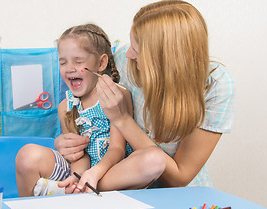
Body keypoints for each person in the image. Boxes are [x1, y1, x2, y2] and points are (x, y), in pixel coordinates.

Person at [54, 0, 235, 188]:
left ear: (163, 59)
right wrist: (66, 142)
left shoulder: (216, 86)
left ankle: (85, 191)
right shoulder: (125, 62)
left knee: (152, 160)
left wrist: (123, 120)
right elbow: (89, 115)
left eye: (137, 50)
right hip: (125, 186)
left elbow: (179, 178)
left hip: (178, 195)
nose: (128, 54)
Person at [15, 23, 165, 197]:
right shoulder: (65, 106)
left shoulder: (115, 96)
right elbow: (78, 154)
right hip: (80, 172)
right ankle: (74, 193)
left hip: (112, 173)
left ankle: (83, 191)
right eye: (62, 62)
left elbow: (117, 149)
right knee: (27, 155)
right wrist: (77, 176)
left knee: (155, 159)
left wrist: (94, 174)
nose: (69, 68)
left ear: (101, 63)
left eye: (78, 61)